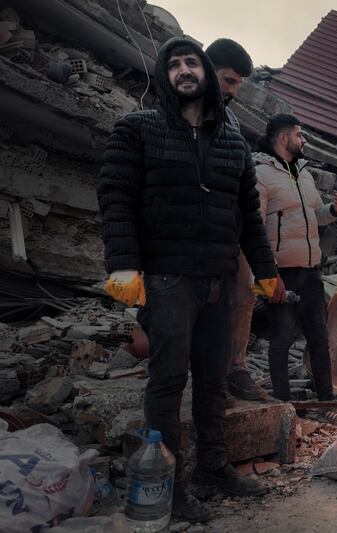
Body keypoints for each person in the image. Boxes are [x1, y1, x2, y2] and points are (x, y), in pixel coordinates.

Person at [97, 37, 278, 523]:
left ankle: (213, 467)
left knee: (214, 379)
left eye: (190, 61)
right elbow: (116, 197)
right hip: (167, 278)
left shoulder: (232, 142)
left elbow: (248, 217)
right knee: (168, 379)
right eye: (173, 63)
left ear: (205, 72)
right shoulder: (137, 129)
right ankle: (169, 487)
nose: (182, 70)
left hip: (218, 278)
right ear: (164, 74)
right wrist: (123, 264)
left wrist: (266, 272)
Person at [252, 114, 337, 402]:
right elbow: (255, 228)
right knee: (281, 339)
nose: (303, 140)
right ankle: (283, 403)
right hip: (282, 272)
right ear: (283, 138)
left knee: (319, 338)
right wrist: (269, 274)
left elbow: (316, 215)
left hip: (310, 271)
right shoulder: (260, 175)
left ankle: (326, 397)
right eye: (299, 135)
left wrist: (333, 210)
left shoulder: (304, 174)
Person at [204, 38, 265, 401]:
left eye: (238, 84)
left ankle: (236, 370)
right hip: (197, 231)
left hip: (234, 228)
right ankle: (208, 380)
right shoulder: (178, 110)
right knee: (204, 304)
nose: (233, 91)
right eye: (229, 81)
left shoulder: (228, 119)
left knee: (242, 296)